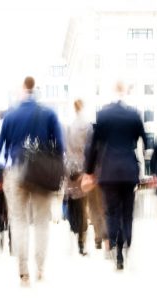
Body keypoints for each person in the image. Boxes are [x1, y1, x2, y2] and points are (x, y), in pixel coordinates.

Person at [0, 76, 65, 286]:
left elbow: (0, 151)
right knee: (42, 222)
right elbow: (60, 146)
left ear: (22, 90)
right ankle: (41, 269)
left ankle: (23, 271)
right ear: (36, 89)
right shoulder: (49, 114)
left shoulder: (10, 115)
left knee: (19, 221)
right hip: (42, 172)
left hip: (17, 170)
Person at [83, 81, 147, 270]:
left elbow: (94, 146)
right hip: (128, 170)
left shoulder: (103, 115)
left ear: (113, 91)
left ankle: (115, 247)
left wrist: (88, 171)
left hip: (109, 172)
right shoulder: (134, 115)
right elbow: (143, 140)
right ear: (126, 91)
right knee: (127, 212)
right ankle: (126, 241)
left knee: (111, 211)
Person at [65, 99, 92, 256]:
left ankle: (73, 233)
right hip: (82, 169)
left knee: (73, 203)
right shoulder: (86, 125)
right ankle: (82, 242)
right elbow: (90, 148)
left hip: (70, 170)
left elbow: (65, 149)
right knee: (83, 206)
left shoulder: (70, 126)